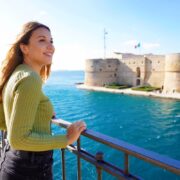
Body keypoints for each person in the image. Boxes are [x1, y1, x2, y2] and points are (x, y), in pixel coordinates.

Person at [0, 21, 86, 180]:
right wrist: (67, 139)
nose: (50, 46)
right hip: (30, 170)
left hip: (12, 163)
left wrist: (40, 112)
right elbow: (19, 139)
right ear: (24, 48)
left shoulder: (17, 74)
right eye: (42, 40)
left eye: (51, 41)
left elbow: (4, 120)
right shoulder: (30, 79)